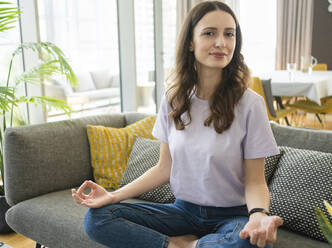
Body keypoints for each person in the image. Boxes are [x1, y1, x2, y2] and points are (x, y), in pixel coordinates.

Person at [72, 1, 284, 247]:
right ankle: (177, 244)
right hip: (183, 211)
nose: (221, 43)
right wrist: (112, 196)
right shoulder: (173, 100)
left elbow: (256, 181)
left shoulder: (250, 104)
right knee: (98, 218)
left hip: (232, 214)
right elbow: (164, 167)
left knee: (250, 242)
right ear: (191, 43)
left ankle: (187, 245)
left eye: (229, 34)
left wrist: (258, 214)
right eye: (209, 33)